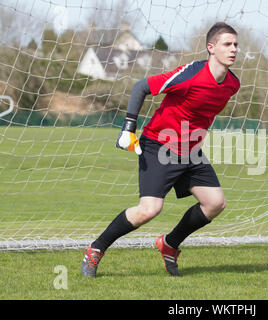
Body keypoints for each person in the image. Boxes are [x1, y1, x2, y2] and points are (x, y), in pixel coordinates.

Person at [81, 22, 240, 277]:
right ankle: (95, 249)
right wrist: (128, 128)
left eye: (235, 45)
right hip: (159, 146)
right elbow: (141, 87)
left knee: (215, 203)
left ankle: (169, 244)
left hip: (190, 150)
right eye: (227, 44)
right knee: (149, 210)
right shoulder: (190, 75)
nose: (234, 49)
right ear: (211, 47)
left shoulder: (232, 84)